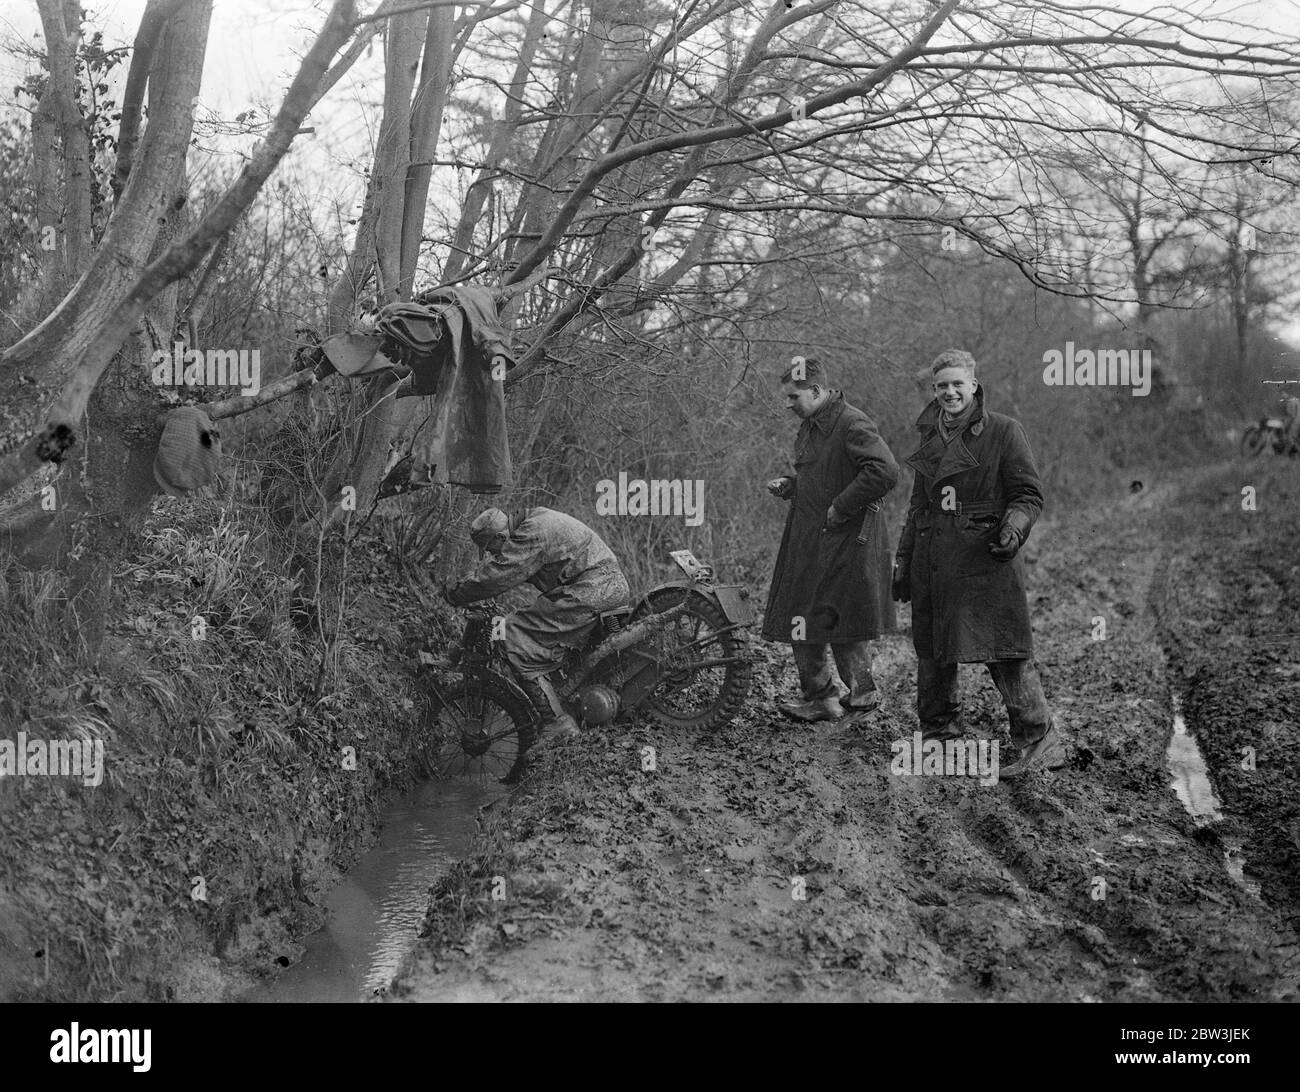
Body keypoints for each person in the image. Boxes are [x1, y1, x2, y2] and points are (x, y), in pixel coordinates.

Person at [892, 349, 1062, 779]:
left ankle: (1039, 739)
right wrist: (903, 559)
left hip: (984, 556)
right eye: (941, 386)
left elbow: (1028, 494)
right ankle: (940, 735)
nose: (949, 392)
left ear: (973, 385)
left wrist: (1013, 528)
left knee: (1002, 649)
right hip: (932, 557)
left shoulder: (1004, 431)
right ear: (934, 390)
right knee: (932, 649)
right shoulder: (930, 436)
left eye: (957, 384)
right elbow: (918, 506)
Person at [762, 357, 899, 721]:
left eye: (793, 397)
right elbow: (825, 475)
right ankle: (820, 697)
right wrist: (792, 486)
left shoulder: (851, 422)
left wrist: (841, 507)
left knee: (842, 617)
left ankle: (863, 698)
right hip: (809, 538)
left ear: (817, 391)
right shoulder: (812, 424)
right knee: (802, 614)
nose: (788, 404)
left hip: (845, 541)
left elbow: (885, 471)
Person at [443, 506, 631, 740]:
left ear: (501, 537)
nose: (493, 555)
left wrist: (455, 594)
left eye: (492, 549)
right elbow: (505, 573)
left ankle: (556, 721)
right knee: (536, 628)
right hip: (605, 586)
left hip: (591, 591)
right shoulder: (536, 519)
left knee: (510, 633)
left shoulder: (531, 532)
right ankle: (569, 701)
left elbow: (499, 575)